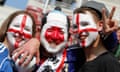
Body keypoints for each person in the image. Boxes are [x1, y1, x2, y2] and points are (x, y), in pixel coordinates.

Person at [71, 1, 120, 72]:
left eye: (85, 24)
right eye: (75, 26)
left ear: (100, 25)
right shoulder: (75, 56)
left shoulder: (109, 63)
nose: (79, 30)